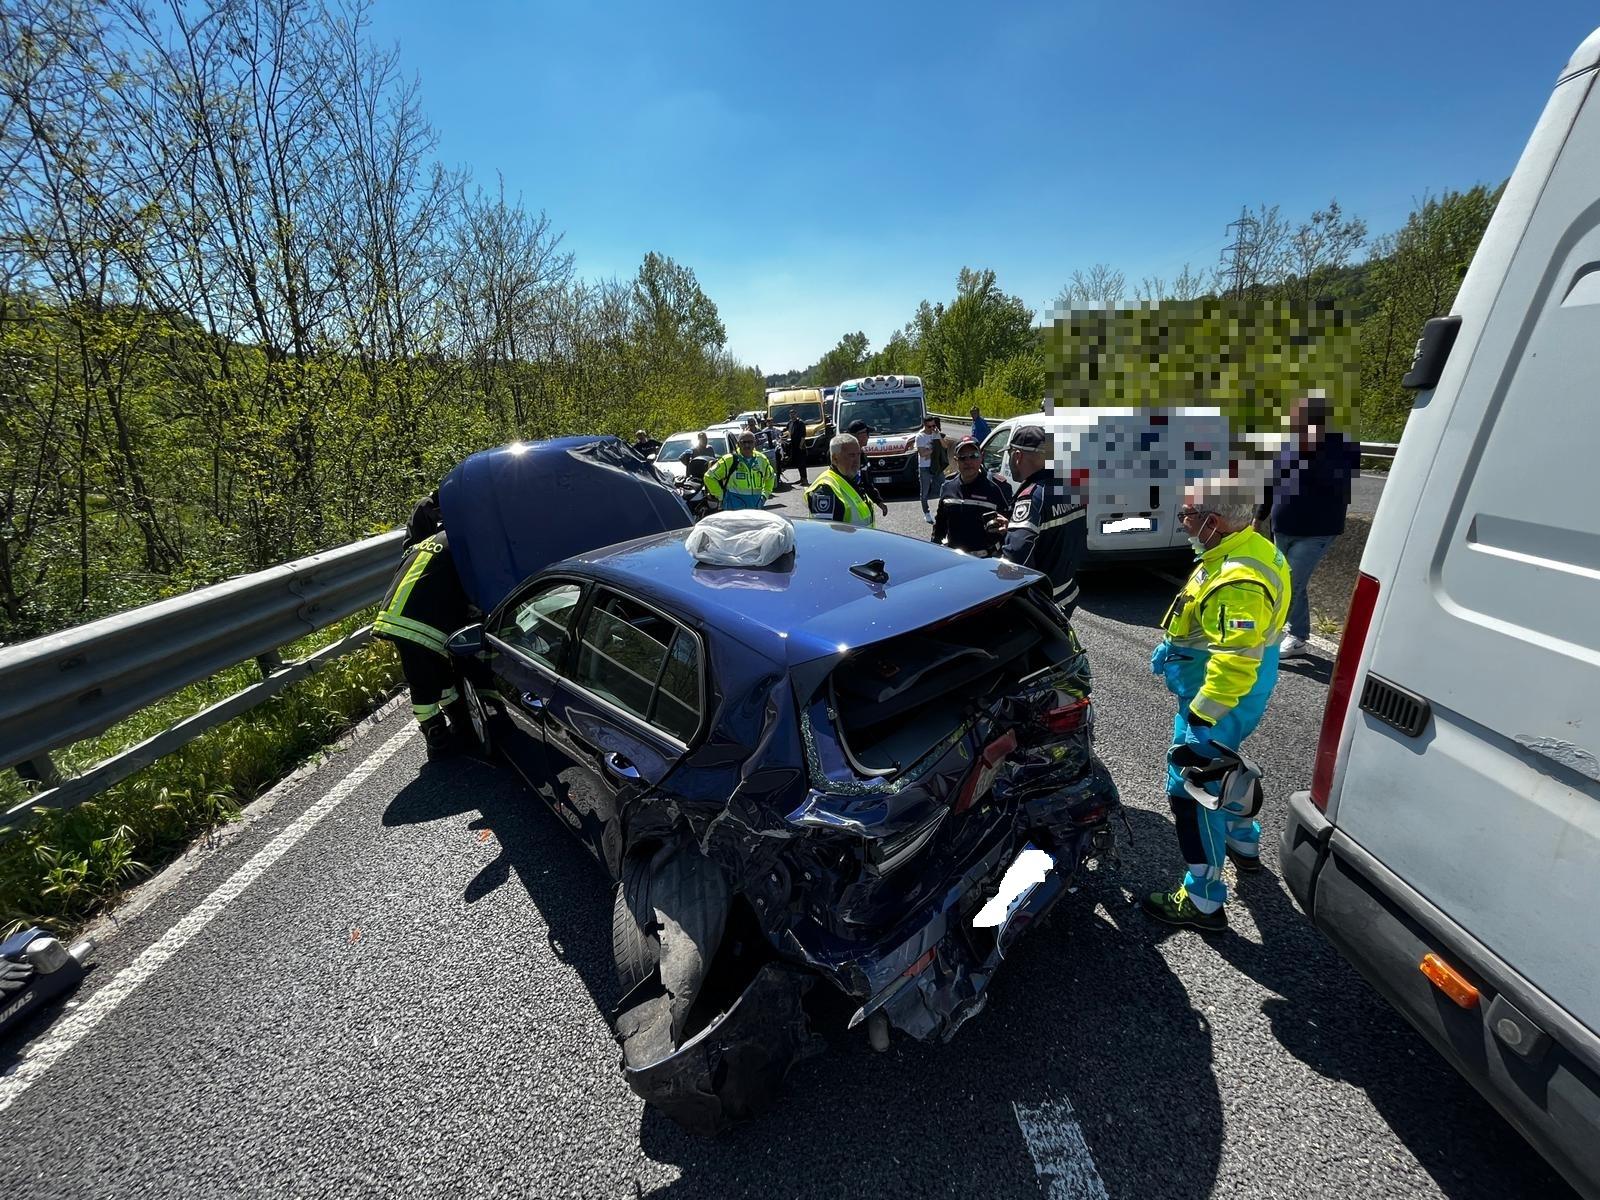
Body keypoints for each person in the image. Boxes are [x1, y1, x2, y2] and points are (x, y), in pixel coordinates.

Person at [1144, 475, 1291, 932]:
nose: (1183, 522)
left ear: (1216, 521)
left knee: (1192, 789)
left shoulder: (1238, 581)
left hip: (1216, 699)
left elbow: (1235, 661)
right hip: (1224, 693)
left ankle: (1203, 899)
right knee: (1224, 770)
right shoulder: (1245, 549)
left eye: (1189, 515)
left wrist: (1201, 716)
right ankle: (1244, 843)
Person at [1254, 394, 1358, 659]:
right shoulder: (1287, 443)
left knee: (1289, 583)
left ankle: (1270, 639)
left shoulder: (1342, 445)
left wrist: (1313, 452)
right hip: (1283, 525)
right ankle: (1298, 634)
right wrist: (1259, 516)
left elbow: (1337, 486)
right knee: (1289, 581)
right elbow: (1271, 482)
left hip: (1317, 530)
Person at [374, 503, 473, 758]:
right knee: (426, 680)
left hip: (396, 614)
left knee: (433, 674)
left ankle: (449, 726)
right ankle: (438, 734)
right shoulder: (464, 544)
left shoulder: (430, 541)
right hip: (417, 622)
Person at [996, 425, 1088, 616]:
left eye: (1011, 454)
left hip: (1042, 603)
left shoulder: (1033, 496)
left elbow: (1015, 558)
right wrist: (1014, 528)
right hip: (1067, 592)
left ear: (1017, 456)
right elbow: (1065, 533)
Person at [932, 437, 1009, 555]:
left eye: (973, 456)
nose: (968, 461)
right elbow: (939, 529)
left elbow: (1010, 528)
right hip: (955, 560)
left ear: (981, 456)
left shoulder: (996, 489)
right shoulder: (947, 488)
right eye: (962, 458)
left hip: (986, 561)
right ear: (956, 460)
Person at [805, 434, 875, 526]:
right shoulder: (825, 489)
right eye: (851, 455)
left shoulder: (851, 478)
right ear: (835, 459)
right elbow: (824, 533)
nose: (857, 460)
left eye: (858, 454)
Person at [705, 429, 776, 511]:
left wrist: (764, 496)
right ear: (738, 444)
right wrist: (721, 496)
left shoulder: (761, 459)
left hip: (755, 508)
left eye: (750, 442)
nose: (747, 445)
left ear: (754, 443)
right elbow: (709, 477)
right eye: (743, 442)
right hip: (734, 509)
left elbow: (770, 477)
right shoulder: (729, 460)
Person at [845, 418, 890, 518]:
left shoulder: (862, 455)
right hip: (847, 506)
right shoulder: (842, 454)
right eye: (867, 433)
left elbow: (866, 482)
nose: (868, 436)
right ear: (858, 435)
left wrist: (878, 501)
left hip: (859, 504)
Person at [914, 414, 943, 523]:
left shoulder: (935, 434)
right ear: (925, 426)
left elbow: (944, 446)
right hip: (924, 467)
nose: (932, 428)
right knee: (925, 492)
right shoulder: (920, 437)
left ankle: (943, 509)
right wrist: (934, 450)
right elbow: (922, 454)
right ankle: (926, 513)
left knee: (943, 486)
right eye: (929, 427)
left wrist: (938, 435)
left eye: (933, 426)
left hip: (936, 466)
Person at [786, 411, 809, 486]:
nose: (792, 416)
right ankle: (801, 478)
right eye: (791, 415)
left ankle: (805, 479)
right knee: (798, 463)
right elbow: (787, 431)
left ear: (796, 414)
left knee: (802, 463)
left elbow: (803, 436)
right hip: (793, 446)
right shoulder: (789, 423)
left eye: (794, 414)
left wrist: (800, 445)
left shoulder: (800, 423)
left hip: (800, 446)